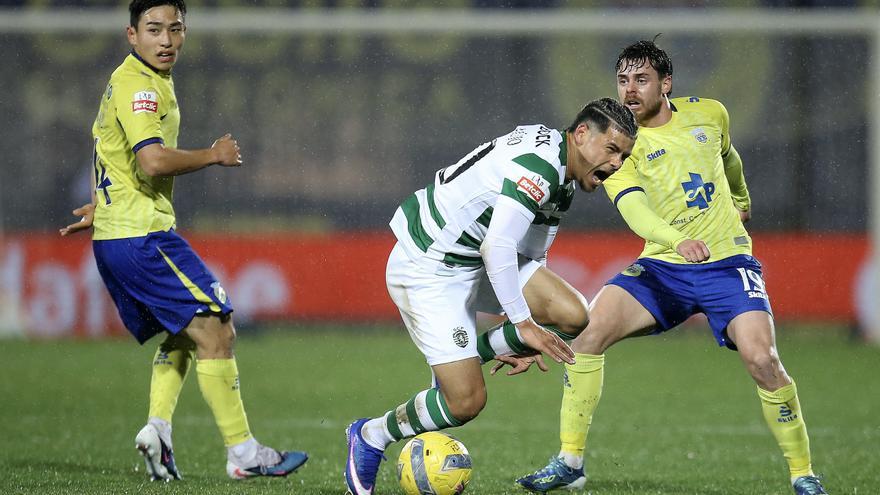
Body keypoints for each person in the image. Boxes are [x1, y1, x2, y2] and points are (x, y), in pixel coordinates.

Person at [511, 39, 828, 495]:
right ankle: (569, 461)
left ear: (667, 83)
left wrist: (741, 199)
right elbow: (636, 211)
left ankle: (803, 475)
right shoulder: (617, 147)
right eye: (622, 80)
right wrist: (678, 240)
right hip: (663, 266)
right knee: (586, 335)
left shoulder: (710, 113)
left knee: (763, 359)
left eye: (641, 79)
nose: (630, 90)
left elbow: (728, 157)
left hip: (727, 263)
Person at [59, 0, 307, 481]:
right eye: (153, 30)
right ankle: (244, 453)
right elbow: (151, 161)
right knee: (217, 327)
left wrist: (104, 206)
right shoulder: (140, 89)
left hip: (124, 230)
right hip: (142, 236)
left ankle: (158, 430)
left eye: (175, 29)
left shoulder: (136, 78)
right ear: (132, 35)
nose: (166, 40)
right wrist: (213, 155)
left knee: (184, 332)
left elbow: (109, 147)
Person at [343, 97, 638, 495]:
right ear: (582, 134)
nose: (617, 163)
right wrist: (521, 323)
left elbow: (531, 256)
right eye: (612, 150)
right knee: (465, 402)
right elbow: (497, 246)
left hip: (472, 256)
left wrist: (527, 328)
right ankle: (371, 435)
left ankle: (470, 354)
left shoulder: (562, 175)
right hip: (431, 263)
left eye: (624, 156)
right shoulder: (540, 167)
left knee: (572, 314)